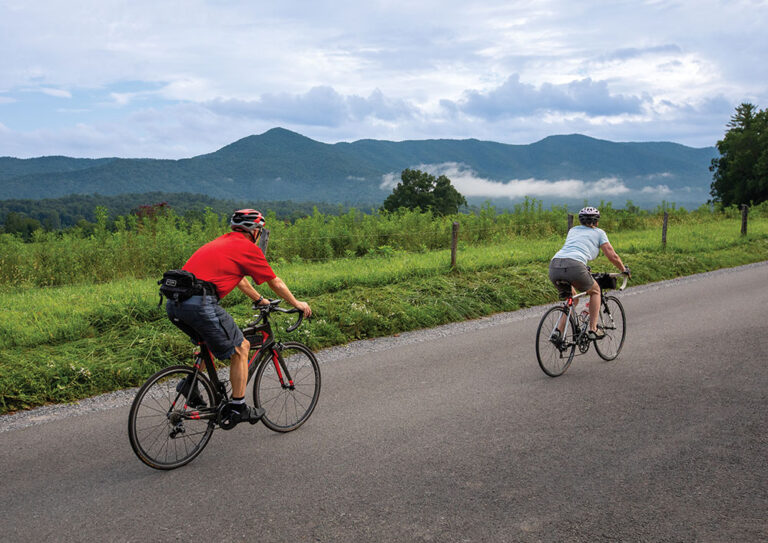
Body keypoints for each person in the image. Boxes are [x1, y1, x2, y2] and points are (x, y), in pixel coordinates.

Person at [166, 208, 311, 426]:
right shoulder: (247, 248)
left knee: (209, 342)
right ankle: (237, 407)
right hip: (201, 304)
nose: (260, 235)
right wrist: (298, 304)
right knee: (241, 347)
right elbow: (275, 282)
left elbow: (240, 279)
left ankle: (190, 384)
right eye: (260, 231)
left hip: (175, 304)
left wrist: (259, 299)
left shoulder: (221, 242)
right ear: (254, 231)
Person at [549, 206, 629, 340]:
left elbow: (574, 249)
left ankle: (557, 332)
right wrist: (623, 269)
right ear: (597, 222)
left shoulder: (573, 230)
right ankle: (593, 329)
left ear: (580, 221)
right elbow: (612, 255)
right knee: (596, 291)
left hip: (554, 266)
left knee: (572, 299)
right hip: (575, 266)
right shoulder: (599, 233)